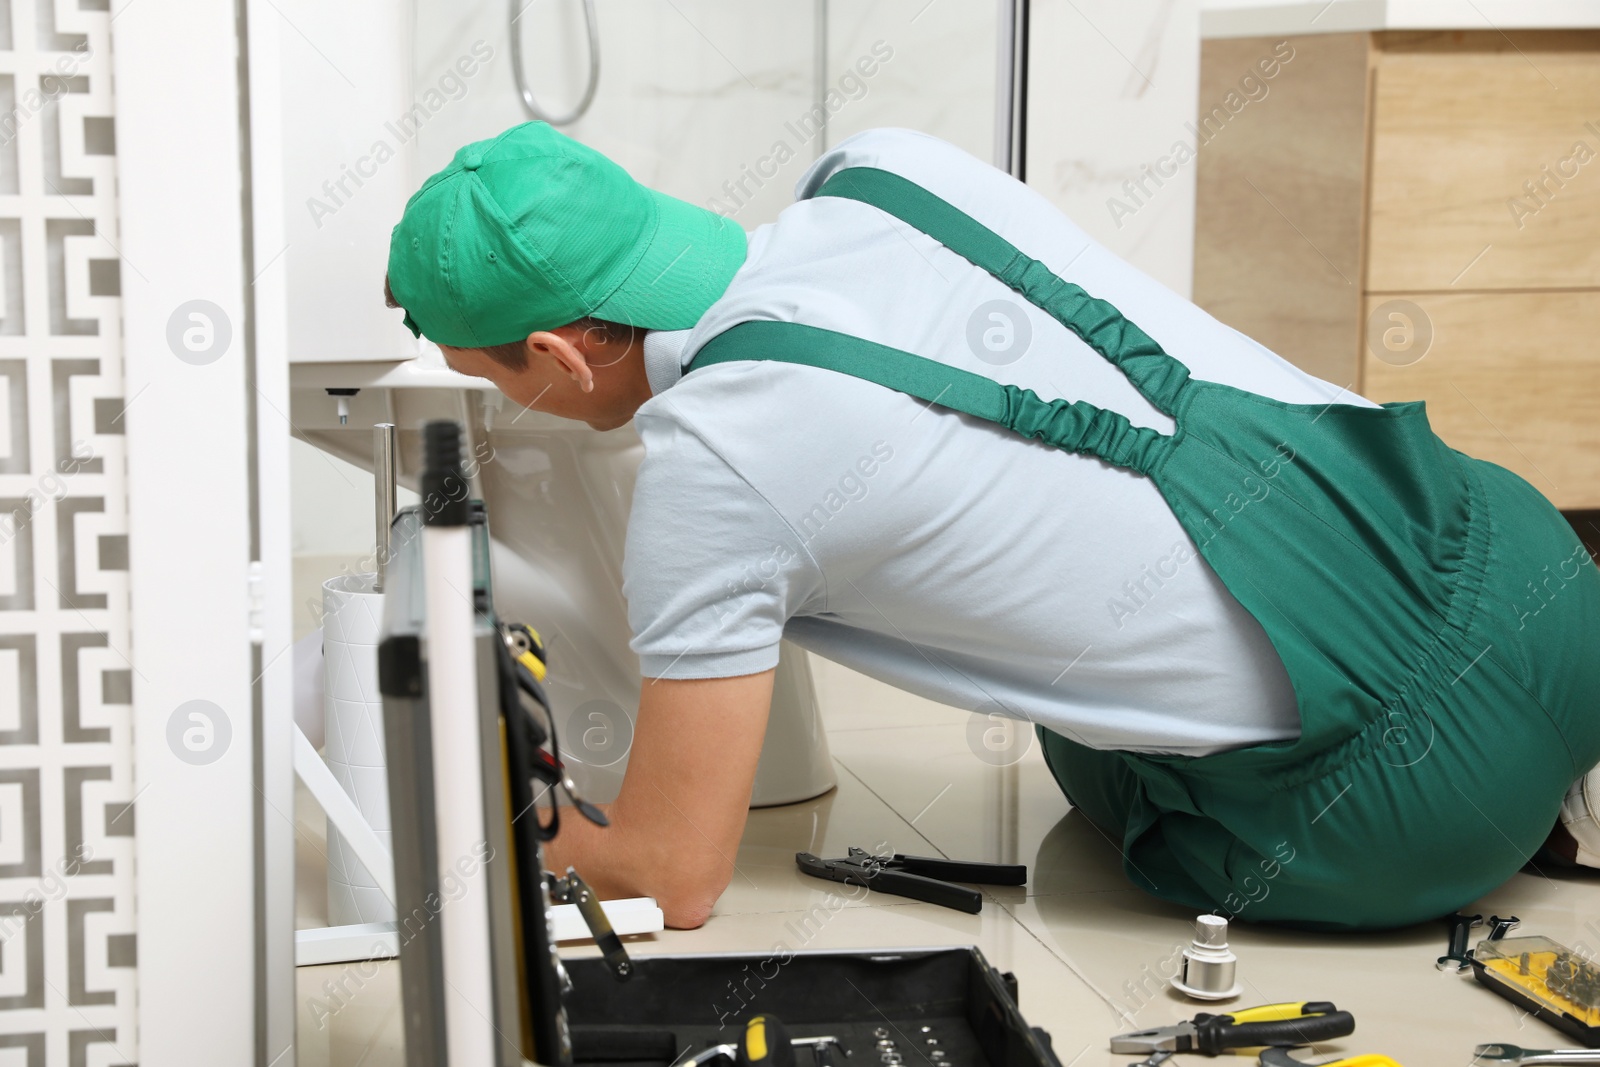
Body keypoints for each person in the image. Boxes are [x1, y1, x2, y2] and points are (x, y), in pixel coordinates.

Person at [384, 121, 1600, 931]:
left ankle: (1481, 780)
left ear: (554, 350)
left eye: (495, 379)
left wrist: (480, 837)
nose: (509, 403)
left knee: (1094, 759)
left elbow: (671, 875)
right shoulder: (881, 167)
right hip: (1529, 551)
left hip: (1419, 807)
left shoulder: (712, 461)